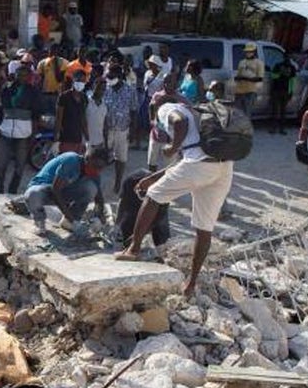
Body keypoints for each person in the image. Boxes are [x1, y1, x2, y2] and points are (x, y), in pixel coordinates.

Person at [115, 90, 235, 297]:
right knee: (204, 227)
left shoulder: (168, 108)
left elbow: (179, 124)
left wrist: (171, 147)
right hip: (223, 167)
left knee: (153, 195)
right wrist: (156, 176)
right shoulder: (196, 112)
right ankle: (191, 283)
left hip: (199, 166)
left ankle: (133, 250)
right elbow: (188, 157)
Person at [23, 146, 109, 233]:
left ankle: (69, 222)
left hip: (63, 191)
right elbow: (55, 190)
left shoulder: (94, 173)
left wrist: (100, 216)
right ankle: (39, 222)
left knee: (91, 189)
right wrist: (71, 218)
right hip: (45, 189)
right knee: (32, 194)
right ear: (87, 159)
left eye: (101, 168)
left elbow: (99, 198)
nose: (97, 170)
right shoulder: (71, 160)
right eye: (95, 166)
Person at [0, 64, 39, 194]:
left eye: (25, 75)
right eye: (20, 75)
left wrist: (33, 134)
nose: (22, 78)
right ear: (15, 75)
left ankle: (12, 192)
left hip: (24, 134)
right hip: (5, 132)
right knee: (1, 165)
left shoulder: (33, 92)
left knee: (19, 166)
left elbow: (36, 114)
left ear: (29, 77)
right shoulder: (7, 89)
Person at [103, 62, 135, 193]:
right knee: (101, 157)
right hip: (106, 129)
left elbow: (134, 111)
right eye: (108, 74)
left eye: (111, 74)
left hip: (123, 129)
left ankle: (117, 184)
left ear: (119, 75)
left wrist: (133, 131)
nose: (109, 76)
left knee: (121, 158)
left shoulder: (129, 90)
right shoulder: (105, 88)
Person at [55, 69, 89, 155]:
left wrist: (87, 136)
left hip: (78, 137)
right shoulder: (64, 97)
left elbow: (83, 117)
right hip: (65, 137)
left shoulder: (84, 98)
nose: (80, 83)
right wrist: (56, 136)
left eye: (83, 81)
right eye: (78, 80)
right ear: (73, 80)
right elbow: (59, 118)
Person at [233, 42, 264, 116]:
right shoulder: (241, 62)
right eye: (247, 51)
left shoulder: (259, 63)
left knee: (247, 113)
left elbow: (260, 78)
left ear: (254, 52)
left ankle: (246, 127)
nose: (248, 53)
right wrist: (238, 78)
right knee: (237, 113)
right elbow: (238, 75)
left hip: (250, 91)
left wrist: (246, 78)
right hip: (239, 91)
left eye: (250, 51)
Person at [269, 56, 297, 134]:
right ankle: (274, 128)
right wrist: (281, 73)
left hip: (285, 91)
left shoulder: (292, 67)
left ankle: (281, 128)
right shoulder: (278, 66)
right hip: (276, 90)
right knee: (275, 110)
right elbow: (273, 76)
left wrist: (291, 91)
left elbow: (292, 81)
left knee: (283, 111)